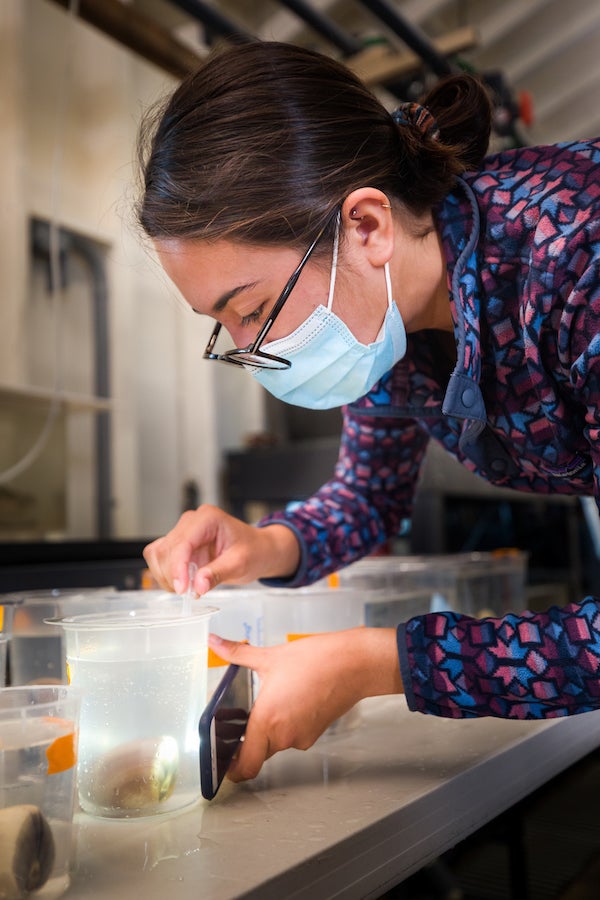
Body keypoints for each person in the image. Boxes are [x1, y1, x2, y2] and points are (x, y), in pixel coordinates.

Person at [137, 40, 600, 783]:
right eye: (227, 326)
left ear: (366, 227)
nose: (257, 348)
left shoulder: (578, 255)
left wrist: (372, 662)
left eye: (254, 309)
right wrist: (266, 545)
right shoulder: (393, 327)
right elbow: (368, 496)